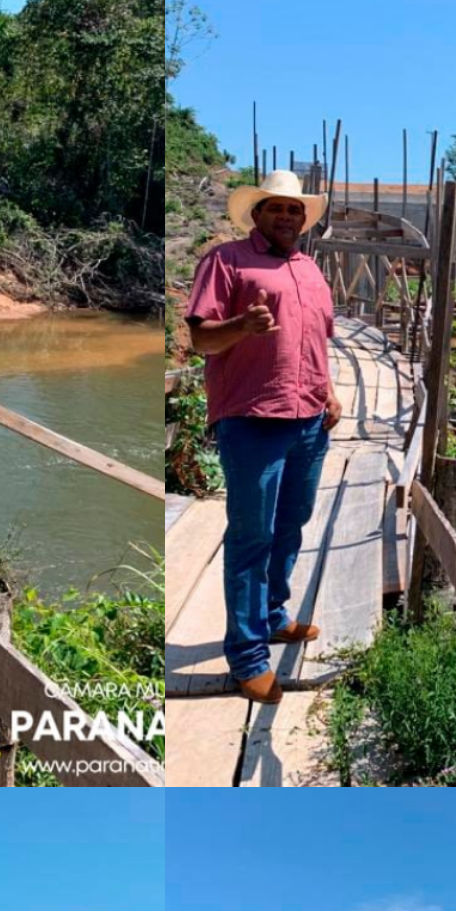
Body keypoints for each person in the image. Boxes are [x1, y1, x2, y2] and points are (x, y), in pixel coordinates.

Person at [184, 168, 342, 705]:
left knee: (292, 523)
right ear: (257, 214)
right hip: (252, 419)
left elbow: (318, 341)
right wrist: (241, 329)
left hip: (309, 419)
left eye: (294, 209)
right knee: (252, 536)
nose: (286, 216)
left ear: (304, 219)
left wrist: (331, 392)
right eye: (276, 207)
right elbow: (202, 339)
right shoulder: (225, 261)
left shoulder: (311, 271)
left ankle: (273, 615)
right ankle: (248, 656)